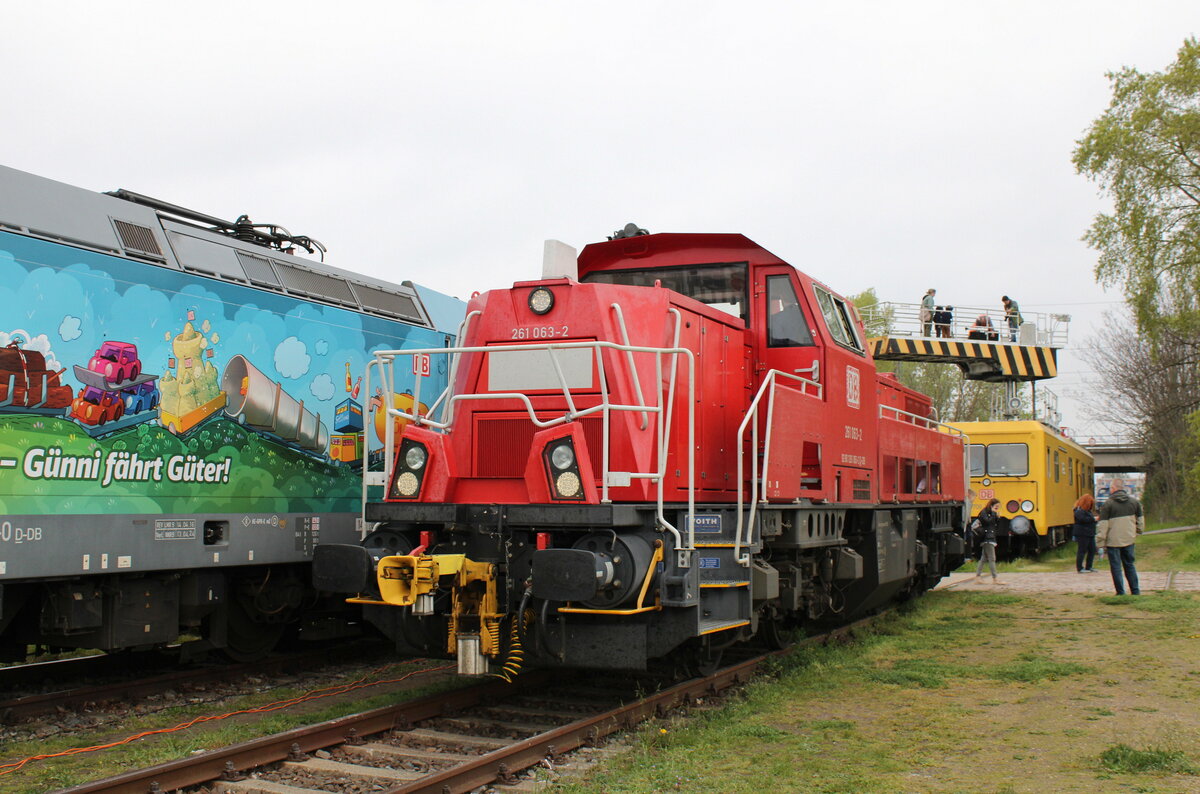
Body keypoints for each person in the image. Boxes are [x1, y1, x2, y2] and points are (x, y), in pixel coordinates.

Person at [1097, 487, 1144, 595]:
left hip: (1113, 541)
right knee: (1129, 564)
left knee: (1116, 567)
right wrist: (1138, 531)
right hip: (1129, 538)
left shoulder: (1108, 504)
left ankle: (1120, 592)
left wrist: (1100, 542)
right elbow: (1140, 520)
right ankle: (1135, 591)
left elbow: (1103, 525)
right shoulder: (1135, 502)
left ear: (1113, 490)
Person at [972, 498, 1002, 584]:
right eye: (996, 507)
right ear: (991, 505)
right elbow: (987, 522)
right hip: (986, 538)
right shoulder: (984, 512)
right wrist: (993, 513)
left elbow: (994, 525)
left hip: (990, 537)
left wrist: (997, 517)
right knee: (992, 558)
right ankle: (995, 578)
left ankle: (978, 577)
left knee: (983, 559)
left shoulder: (991, 513)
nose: (997, 509)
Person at [1072, 493, 1098, 573]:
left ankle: (1089, 566)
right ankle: (1079, 567)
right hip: (1082, 533)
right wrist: (1094, 519)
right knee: (1082, 550)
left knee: (1092, 549)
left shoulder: (1088, 511)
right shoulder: (1078, 510)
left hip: (1090, 533)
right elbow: (1083, 519)